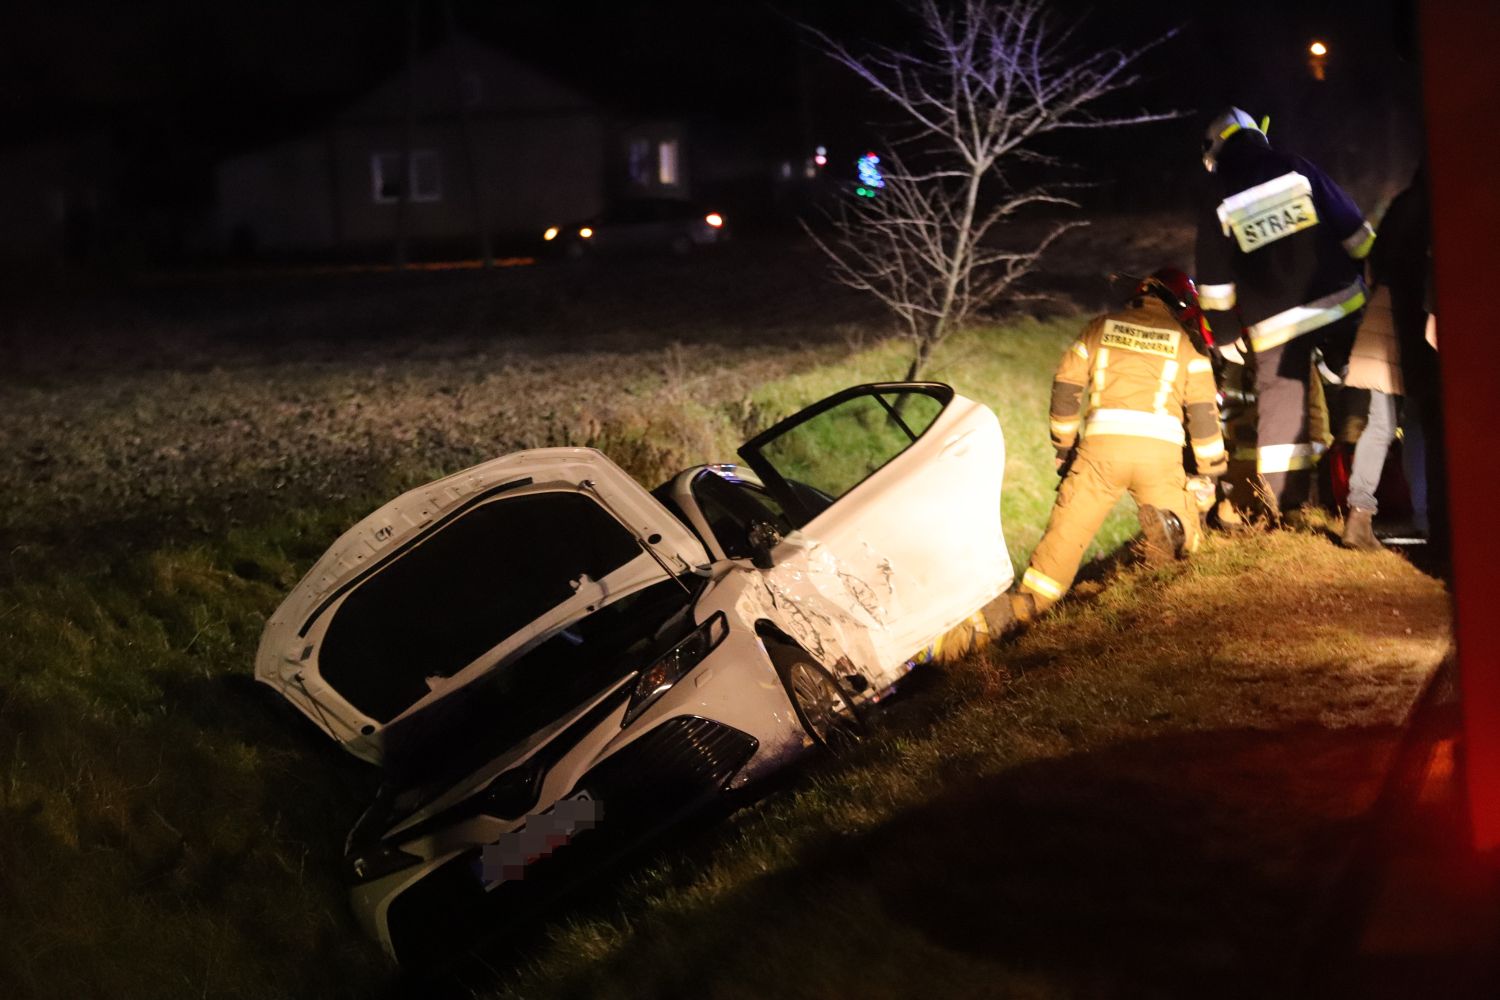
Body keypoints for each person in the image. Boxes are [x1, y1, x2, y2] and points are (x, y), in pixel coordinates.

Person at [1004, 269, 1227, 622]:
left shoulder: (1099, 327)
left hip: (1099, 453)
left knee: (1059, 549)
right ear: (1183, 306)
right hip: (1159, 457)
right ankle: (1174, 530)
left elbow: (1066, 384)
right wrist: (1209, 472)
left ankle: (1017, 614)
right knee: (1191, 538)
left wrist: (1064, 445)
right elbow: (1203, 414)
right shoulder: (1187, 345)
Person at [1195, 108, 1377, 518]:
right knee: (1359, 385)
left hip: (1274, 325)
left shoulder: (1217, 196)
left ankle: (1286, 510)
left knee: (1281, 413)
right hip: (1339, 302)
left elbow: (1214, 280)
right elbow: (1353, 229)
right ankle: (1360, 488)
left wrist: (1224, 335)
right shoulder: (1296, 167)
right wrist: (1375, 274)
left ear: (1216, 151)